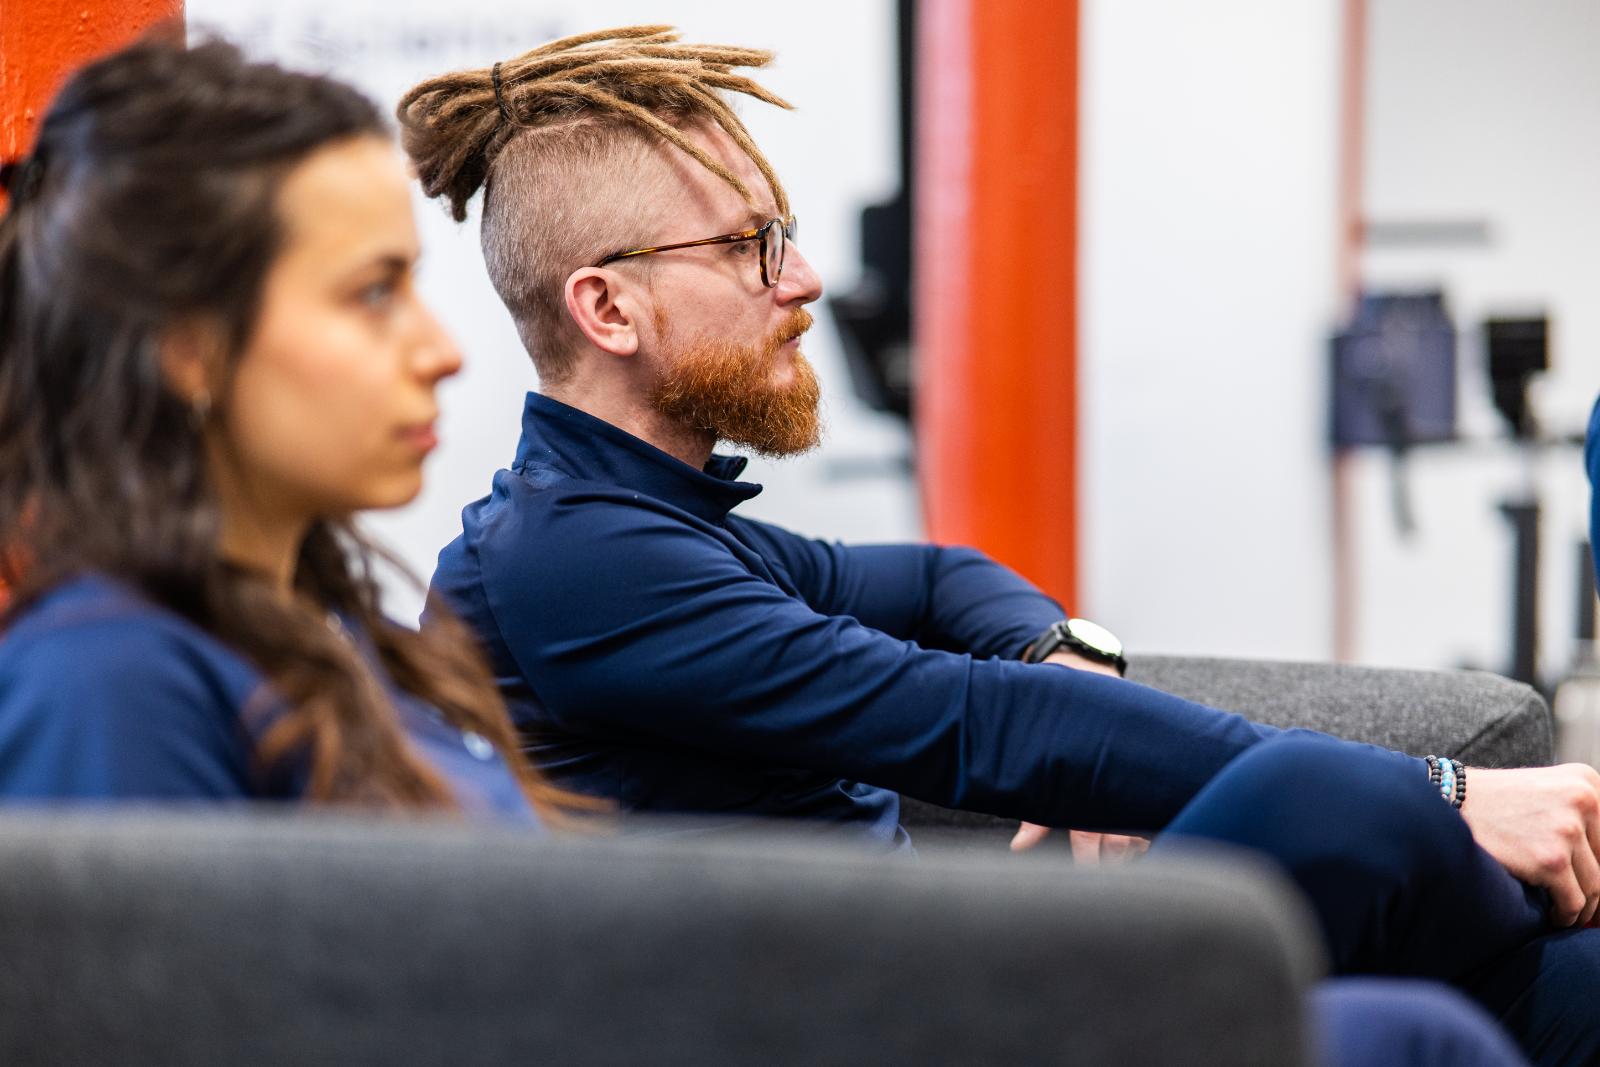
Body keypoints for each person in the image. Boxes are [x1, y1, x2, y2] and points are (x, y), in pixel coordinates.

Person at [400, 26, 1599, 1063]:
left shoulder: (662, 523)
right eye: (749, 245)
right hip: (867, 1023)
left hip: (926, 974)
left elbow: (938, 577)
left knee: (1544, 981)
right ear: (607, 308)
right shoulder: (569, 564)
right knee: (1331, 792)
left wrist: (1054, 645)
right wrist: (1445, 788)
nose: (803, 279)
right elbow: (976, 725)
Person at [0, 37, 574, 825]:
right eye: (373, 293)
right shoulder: (110, 679)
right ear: (189, 349)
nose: (442, 352)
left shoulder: (323, 621)